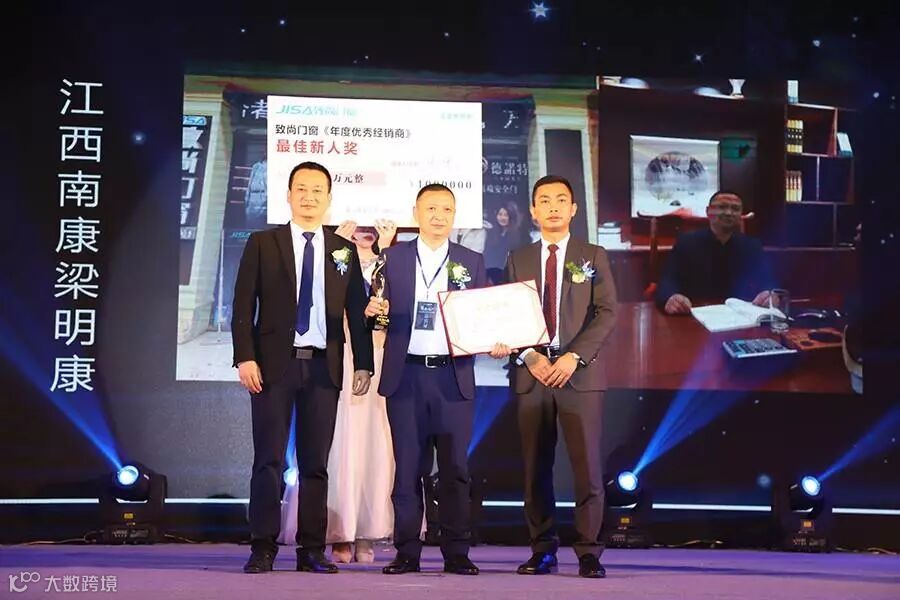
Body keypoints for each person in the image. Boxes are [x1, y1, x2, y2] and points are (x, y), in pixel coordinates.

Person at [232, 161, 373, 574]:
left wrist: (363, 363)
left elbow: (355, 311)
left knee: (315, 464)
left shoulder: (343, 250)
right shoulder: (263, 243)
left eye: (317, 190)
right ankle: (262, 547)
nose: (309, 197)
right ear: (289, 195)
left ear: (328, 198)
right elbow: (243, 305)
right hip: (273, 367)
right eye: (302, 189)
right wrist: (245, 356)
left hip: (323, 368)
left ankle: (311, 549)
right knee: (269, 460)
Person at [364, 183, 500, 576]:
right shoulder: (392, 257)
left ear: (454, 216)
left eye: (446, 210)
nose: (439, 216)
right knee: (408, 469)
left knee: (455, 469)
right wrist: (373, 312)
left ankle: (457, 552)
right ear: (416, 213)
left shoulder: (471, 261)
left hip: (453, 378)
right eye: (431, 209)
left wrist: (496, 339)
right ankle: (407, 551)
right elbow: (377, 315)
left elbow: (483, 316)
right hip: (405, 376)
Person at [501, 174, 618, 579]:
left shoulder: (593, 255)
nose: (553, 207)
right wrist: (529, 355)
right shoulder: (518, 258)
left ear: (573, 208)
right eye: (545, 200)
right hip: (533, 374)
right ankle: (542, 550)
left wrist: (574, 357)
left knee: (586, 468)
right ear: (533, 210)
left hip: (578, 374)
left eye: (561, 200)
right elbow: (507, 313)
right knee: (535, 469)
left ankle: (589, 552)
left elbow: (607, 312)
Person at [655, 190, 775, 314]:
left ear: (740, 214)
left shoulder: (751, 246)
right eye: (722, 207)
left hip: (740, 315)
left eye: (735, 209)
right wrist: (671, 297)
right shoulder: (687, 242)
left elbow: (768, 280)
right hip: (696, 313)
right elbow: (668, 280)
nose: (729, 213)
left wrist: (769, 294)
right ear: (708, 211)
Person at [484, 202, 527, 281]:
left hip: (511, 275)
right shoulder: (492, 233)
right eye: (500, 214)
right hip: (492, 273)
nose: (502, 218)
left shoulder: (519, 236)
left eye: (506, 215)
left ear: (511, 216)